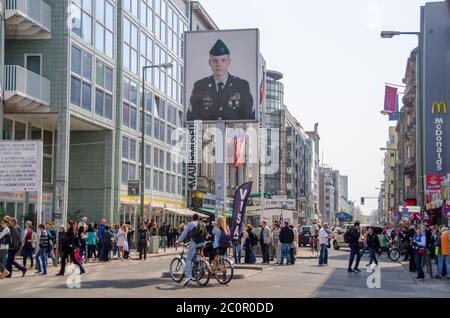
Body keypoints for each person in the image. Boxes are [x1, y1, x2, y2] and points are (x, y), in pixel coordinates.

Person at [187, 39, 254, 122]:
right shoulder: (200, 86)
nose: (219, 64)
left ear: (229, 62)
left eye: (223, 60)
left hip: (234, 135)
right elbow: (191, 120)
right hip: (207, 134)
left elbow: (250, 119)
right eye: (215, 60)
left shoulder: (242, 86)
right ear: (209, 62)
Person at [176, 214, 207, 286]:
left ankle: (188, 276)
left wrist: (178, 241)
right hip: (203, 243)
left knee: (188, 259)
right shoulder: (202, 223)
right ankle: (196, 267)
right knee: (194, 256)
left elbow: (184, 233)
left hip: (195, 242)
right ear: (198, 218)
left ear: (192, 218)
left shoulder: (190, 224)